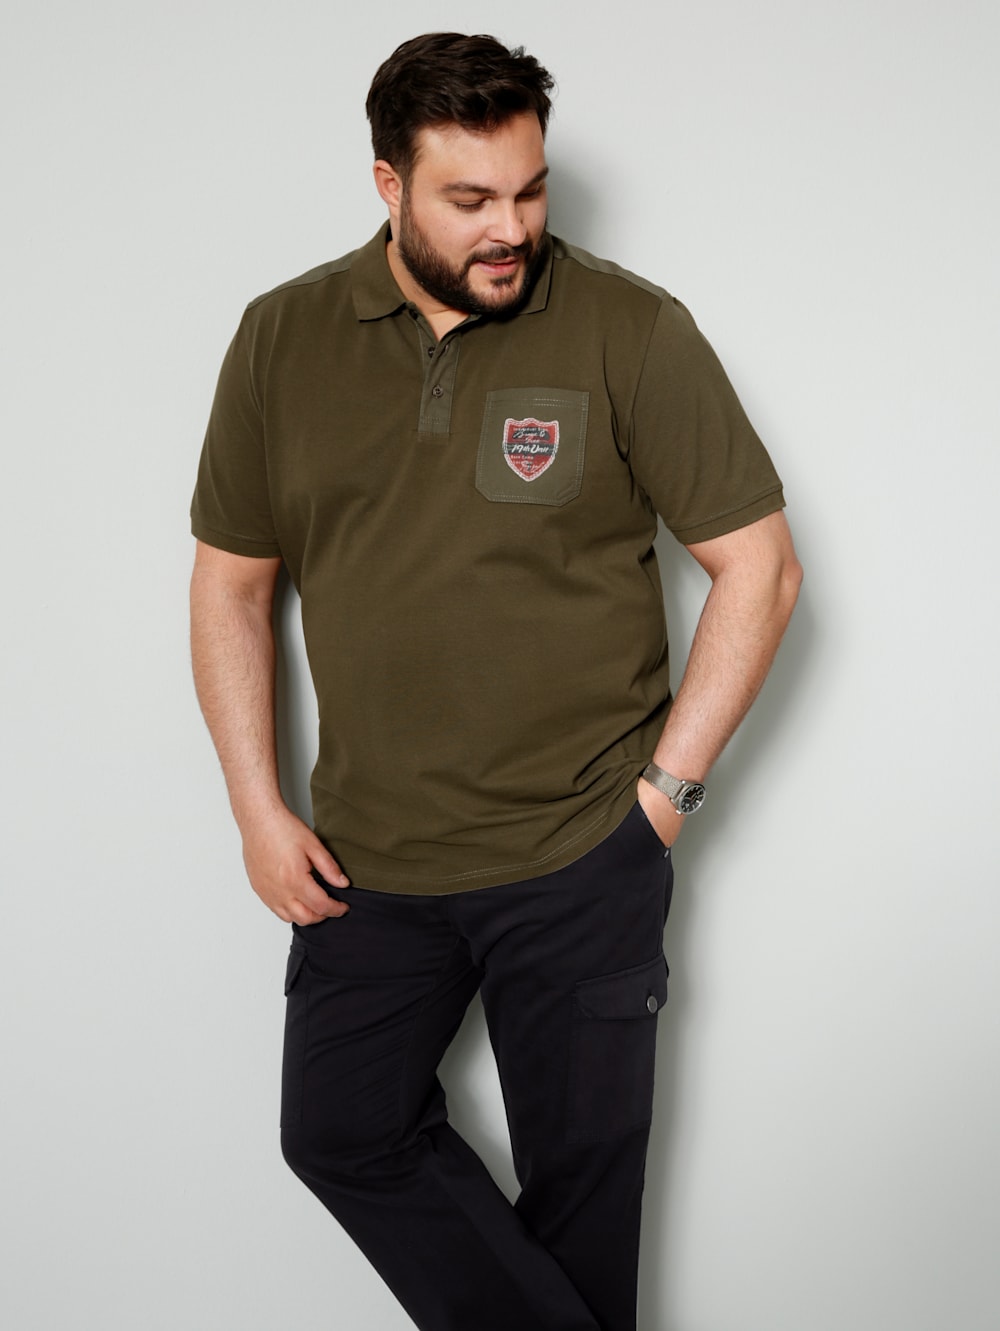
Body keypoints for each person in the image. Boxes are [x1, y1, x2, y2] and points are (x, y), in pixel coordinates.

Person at [189, 31, 802, 1331]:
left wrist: (664, 801)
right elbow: (232, 585)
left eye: (529, 190)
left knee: (583, 1204)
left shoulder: (629, 328)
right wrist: (256, 807)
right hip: (366, 865)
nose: (510, 228)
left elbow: (760, 568)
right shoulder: (282, 339)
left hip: (581, 854)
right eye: (470, 198)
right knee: (340, 1131)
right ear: (388, 184)